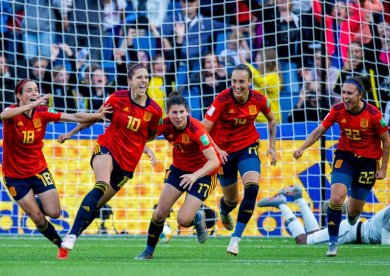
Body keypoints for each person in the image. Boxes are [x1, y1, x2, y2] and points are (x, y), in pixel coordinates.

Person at [57, 63, 163, 255]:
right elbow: (95, 117)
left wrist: (145, 148)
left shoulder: (155, 111)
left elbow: (149, 135)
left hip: (127, 163)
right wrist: (71, 133)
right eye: (139, 77)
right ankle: (71, 235)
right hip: (107, 147)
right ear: (130, 81)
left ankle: (69, 242)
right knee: (102, 184)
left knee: (97, 205)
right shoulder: (116, 98)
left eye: (146, 77)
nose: (144, 81)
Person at [1, 79, 111, 259]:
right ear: (19, 96)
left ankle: (32, 202)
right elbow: (3, 116)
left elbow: (73, 116)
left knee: (54, 213)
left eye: (36, 90)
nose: (34, 93)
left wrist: (96, 116)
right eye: (29, 91)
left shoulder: (43, 113)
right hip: (14, 176)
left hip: (38, 170)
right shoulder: (11, 112)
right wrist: (34, 104)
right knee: (37, 217)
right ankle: (60, 245)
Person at [293, 75, 390, 257]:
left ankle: (347, 210)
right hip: (344, 157)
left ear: (360, 95)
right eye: (343, 92)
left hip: (367, 163)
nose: (345, 96)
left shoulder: (374, 114)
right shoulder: (337, 109)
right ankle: (332, 242)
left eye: (349, 93)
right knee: (336, 199)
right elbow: (320, 130)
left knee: (354, 213)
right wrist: (302, 148)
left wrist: (383, 168)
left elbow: (386, 141)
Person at [135, 90, 221, 260]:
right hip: (179, 170)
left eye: (182, 112)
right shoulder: (164, 125)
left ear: (187, 112)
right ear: (168, 114)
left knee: (183, 220)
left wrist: (194, 176)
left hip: (204, 174)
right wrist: (148, 150)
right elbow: (139, 138)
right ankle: (148, 252)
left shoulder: (198, 130)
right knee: (160, 213)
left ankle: (197, 215)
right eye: (174, 112)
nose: (179, 116)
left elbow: (214, 161)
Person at [203, 64, 278, 256]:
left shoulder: (259, 99)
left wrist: (272, 146)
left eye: (241, 81)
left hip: (248, 146)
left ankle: (235, 239)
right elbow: (203, 129)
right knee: (232, 200)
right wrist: (217, 149)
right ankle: (224, 210)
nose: (237, 85)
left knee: (252, 188)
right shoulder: (221, 99)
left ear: (250, 82)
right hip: (224, 152)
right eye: (234, 81)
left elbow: (272, 119)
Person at [258, 185, 390, 246]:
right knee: (303, 241)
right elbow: (386, 243)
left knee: (313, 234)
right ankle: (282, 204)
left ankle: (298, 196)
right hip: (349, 232)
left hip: (354, 232)